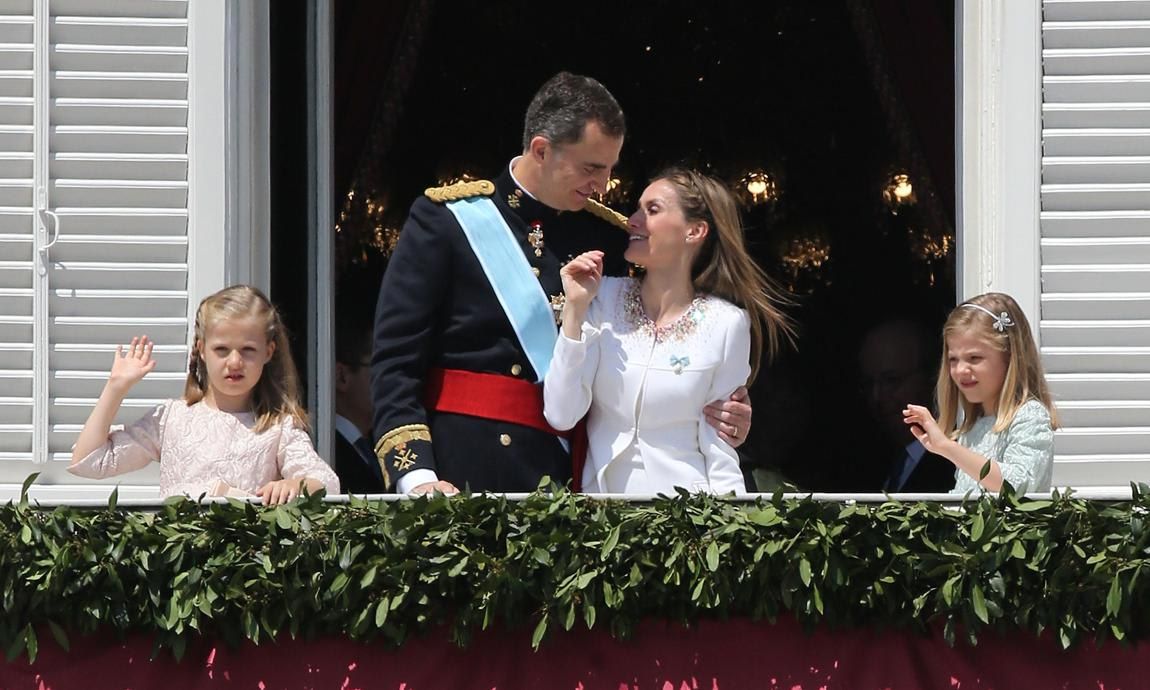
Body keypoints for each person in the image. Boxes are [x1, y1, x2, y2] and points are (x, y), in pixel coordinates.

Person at [371, 72, 752, 494]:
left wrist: (722, 410)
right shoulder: (446, 221)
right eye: (591, 167)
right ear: (541, 150)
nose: (604, 186)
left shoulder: (609, 237)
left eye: (609, 169)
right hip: (461, 472)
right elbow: (396, 364)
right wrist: (417, 477)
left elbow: (657, 337)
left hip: (570, 478)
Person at [543, 168, 793, 494]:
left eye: (653, 209)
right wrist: (575, 312)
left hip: (685, 520)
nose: (633, 220)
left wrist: (730, 530)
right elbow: (561, 414)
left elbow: (719, 448)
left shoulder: (727, 325)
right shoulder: (601, 296)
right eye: (637, 208)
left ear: (694, 231)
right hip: (601, 519)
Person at [69, 285, 340, 503]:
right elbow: (90, 461)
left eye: (247, 350)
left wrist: (294, 484)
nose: (234, 362)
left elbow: (326, 483)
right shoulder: (171, 418)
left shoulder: (278, 426)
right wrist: (116, 388)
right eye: (222, 350)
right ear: (201, 349)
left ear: (268, 352)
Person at [902, 293, 1059, 494]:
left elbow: (1017, 486)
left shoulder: (1029, 415)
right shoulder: (972, 427)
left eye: (974, 358)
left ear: (1010, 357)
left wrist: (948, 448)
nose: (960, 370)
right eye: (953, 360)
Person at [858, 319, 955, 492]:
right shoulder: (868, 458)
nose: (877, 397)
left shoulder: (956, 458)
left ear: (932, 377)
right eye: (868, 383)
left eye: (892, 381)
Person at [334, 315, 386, 493]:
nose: (392, 381)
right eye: (380, 368)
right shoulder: (323, 449)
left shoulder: (377, 445)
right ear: (342, 376)